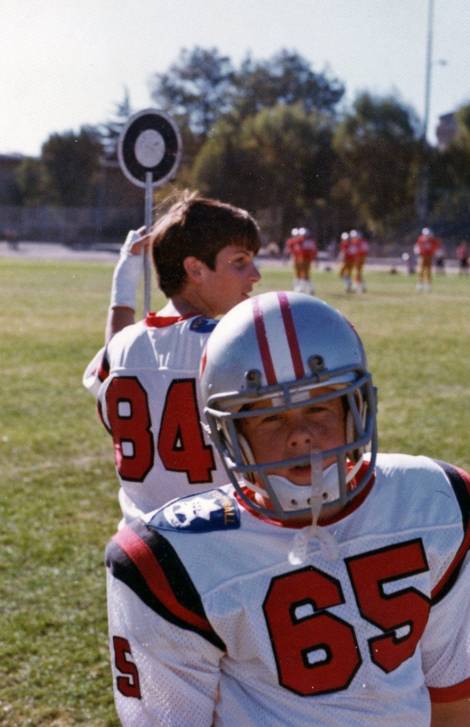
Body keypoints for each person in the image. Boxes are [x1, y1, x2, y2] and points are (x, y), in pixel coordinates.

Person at [105, 290, 470, 726]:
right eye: (269, 417)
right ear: (230, 434)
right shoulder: (166, 561)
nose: (300, 435)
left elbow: (453, 695)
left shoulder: (435, 501)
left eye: (318, 406)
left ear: (356, 408)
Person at [83, 191, 261, 523]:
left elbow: (115, 352)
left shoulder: (123, 347)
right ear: (195, 269)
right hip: (220, 539)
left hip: (140, 542)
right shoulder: (230, 343)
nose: (255, 274)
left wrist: (125, 278)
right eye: (240, 261)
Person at [285, 227, 317, 295]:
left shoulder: (302, 241)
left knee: (303, 275)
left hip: (304, 259)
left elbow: (312, 251)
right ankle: (301, 288)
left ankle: (301, 289)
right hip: (300, 259)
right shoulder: (302, 241)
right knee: (300, 275)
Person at [351, 229, 369, 293]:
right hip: (356, 259)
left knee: (357, 273)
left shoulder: (361, 242)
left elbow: (364, 251)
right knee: (357, 273)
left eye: (354, 237)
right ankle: (361, 287)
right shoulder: (355, 243)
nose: (353, 238)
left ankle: (359, 287)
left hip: (359, 259)